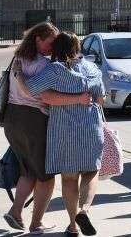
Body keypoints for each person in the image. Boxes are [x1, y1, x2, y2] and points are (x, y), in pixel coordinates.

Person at [1, 22, 90, 234]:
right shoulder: (44, 65)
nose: (52, 47)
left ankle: (15, 212)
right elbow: (43, 95)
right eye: (50, 42)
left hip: (12, 118)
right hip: (33, 121)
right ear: (38, 39)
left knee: (28, 170)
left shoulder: (19, 58)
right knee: (46, 175)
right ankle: (36, 223)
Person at [27, 32, 106, 237]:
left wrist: (18, 75)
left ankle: (73, 225)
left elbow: (34, 90)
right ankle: (84, 210)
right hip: (91, 127)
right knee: (91, 171)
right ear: (77, 48)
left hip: (64, 130)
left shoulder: (54, 70)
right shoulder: (91, 68)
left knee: (69, 179)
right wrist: (82, 98)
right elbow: (101, 99)